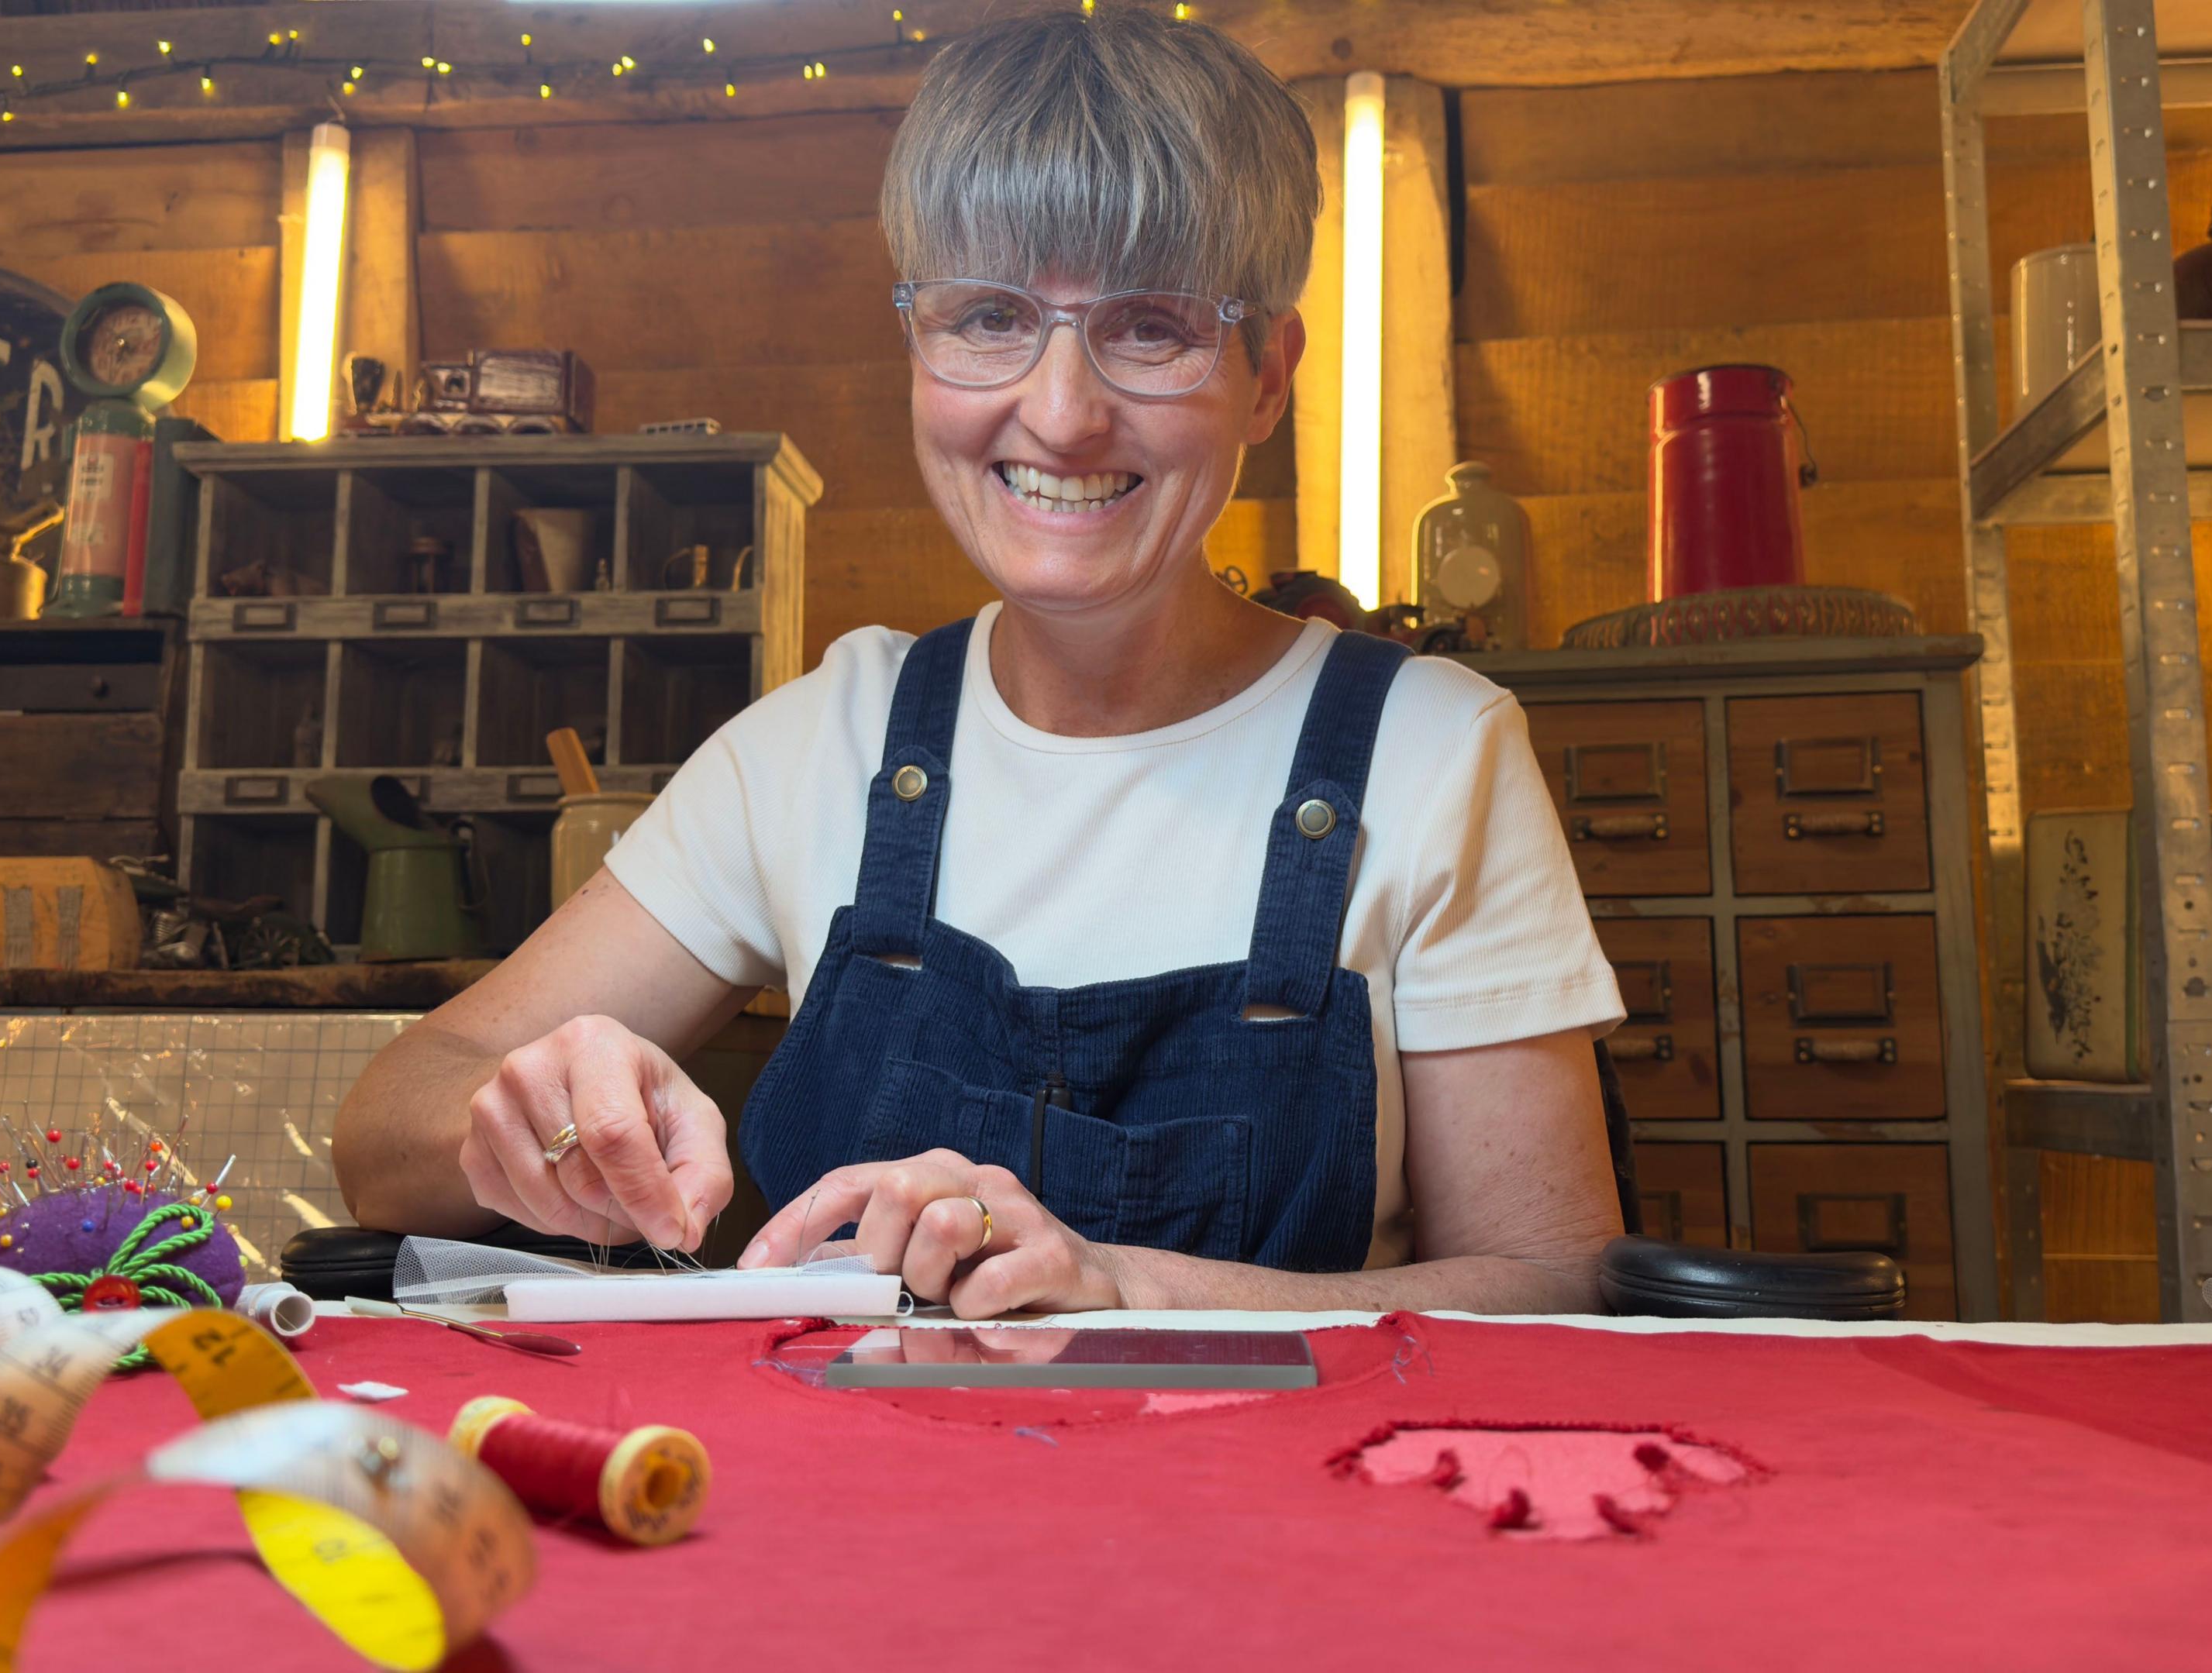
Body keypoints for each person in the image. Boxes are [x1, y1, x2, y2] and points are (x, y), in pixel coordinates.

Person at [332, 7, 1626, 1318]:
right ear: (916, 342)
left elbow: (1554, 1279)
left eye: (1151, 329)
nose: (1061, 415)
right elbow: (385, 1134)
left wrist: (1126, 1284)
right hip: (865, 1513)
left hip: (1280, 1511)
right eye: (991, 317)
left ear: (1270, 375)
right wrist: (537, 1118)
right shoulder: (815, 745)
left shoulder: (1432, 750)